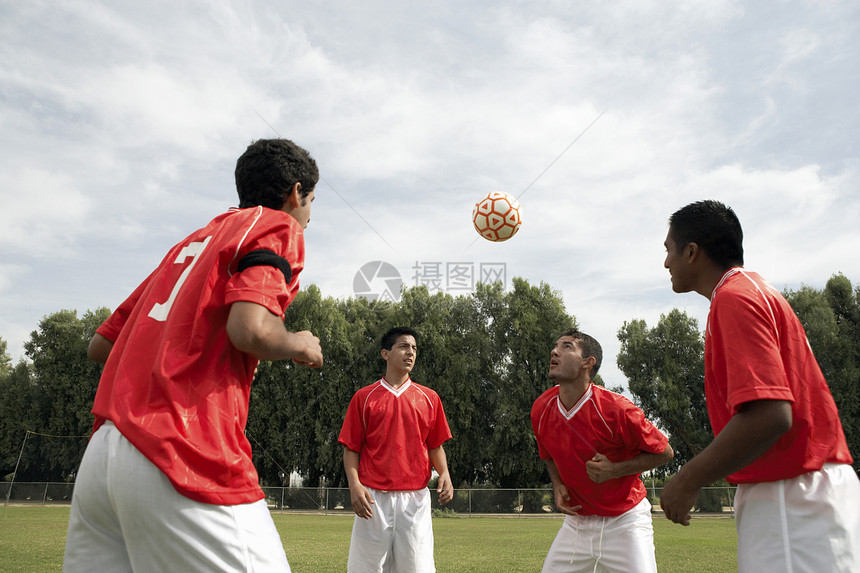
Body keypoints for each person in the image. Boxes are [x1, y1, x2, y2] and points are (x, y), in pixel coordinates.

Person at [63, 138, 324, 573]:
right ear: (295, 193)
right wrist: (299, 342)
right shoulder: (277, 225)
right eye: (312, 201)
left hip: (103, 454)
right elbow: (250, 328)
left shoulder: (189, 245)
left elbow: (100, 346)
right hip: (180, 450)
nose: (309, 215)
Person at [659, 199, 860, 572]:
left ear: (691, 253)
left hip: (791, 494)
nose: (666, 262)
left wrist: (688, 478)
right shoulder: (753, 290)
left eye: (669, 250)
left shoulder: (733, 299)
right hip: (801, 491)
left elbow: (770, 414)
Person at [531, 329, 674, 573]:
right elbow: (548, 454)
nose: (554, 351)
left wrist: (615, 470)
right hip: (577, 523)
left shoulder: (617, 409)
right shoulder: (541, 408)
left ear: (588, 362)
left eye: (567, 347)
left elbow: (665, 452)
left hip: (625, 521)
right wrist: (557, 485)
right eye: (555, 346)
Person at [338, 326, 453, 573]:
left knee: (417, 568)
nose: (410, 352)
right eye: (403, 346)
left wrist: (444, 473)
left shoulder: (429, 398)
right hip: (372, 499)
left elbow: (435, 446)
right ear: (385, 354)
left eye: (414, 348)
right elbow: (351, 449)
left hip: (415, 499)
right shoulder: (364, 397)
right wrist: (355, 486)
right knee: (365, 569)